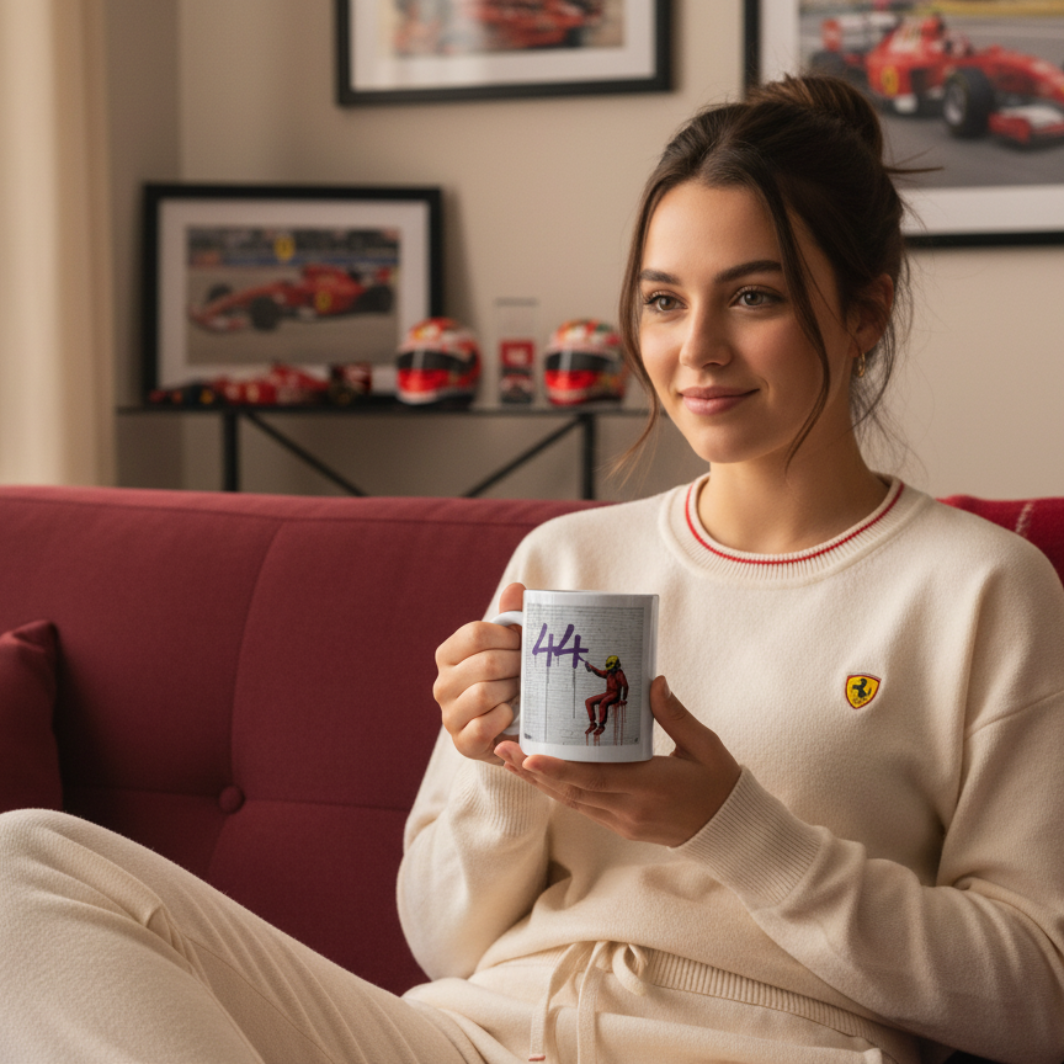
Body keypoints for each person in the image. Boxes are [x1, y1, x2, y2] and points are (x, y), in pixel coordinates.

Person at [1, 74, 1063, 1064]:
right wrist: (496, 769)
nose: (695, 348)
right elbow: (444, 940)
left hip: (753, 1044)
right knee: (26, 864)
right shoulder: (570, 558)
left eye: (752, 297)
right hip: (474, 1033)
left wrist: (729, 826)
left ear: (864, 311)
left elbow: (1039, 996)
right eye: (663, 301)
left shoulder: (979, 589)